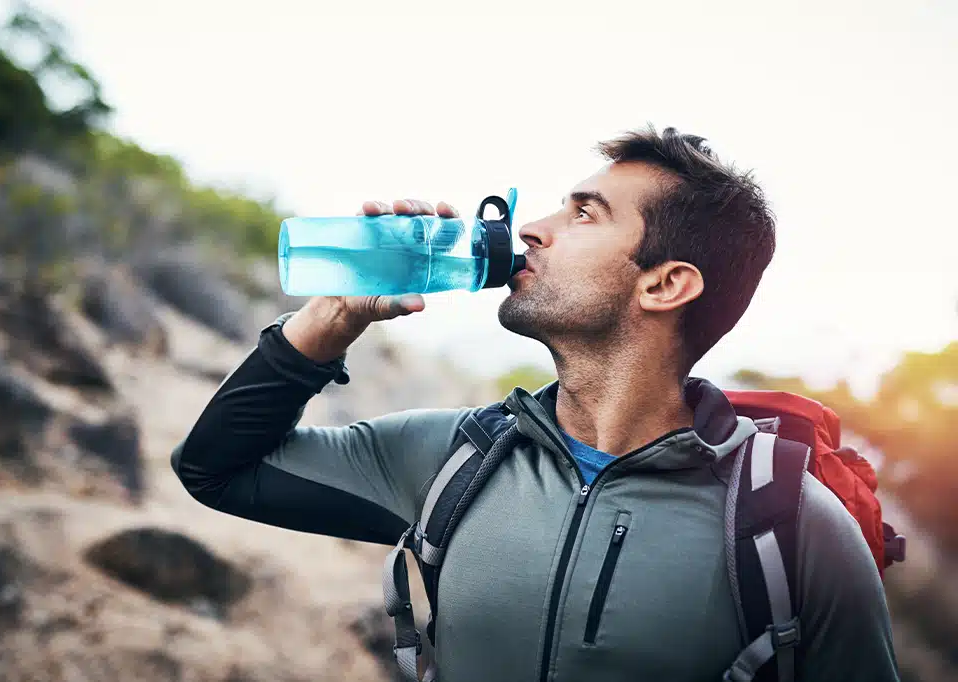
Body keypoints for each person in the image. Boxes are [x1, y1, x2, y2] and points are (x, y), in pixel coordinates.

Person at [171, 126, 900, 681]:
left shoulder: (790, 529)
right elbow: (217, 471)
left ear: (664, 285)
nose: (532, 229)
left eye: (584, 215)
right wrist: (329, 321)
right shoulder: (453, 461)